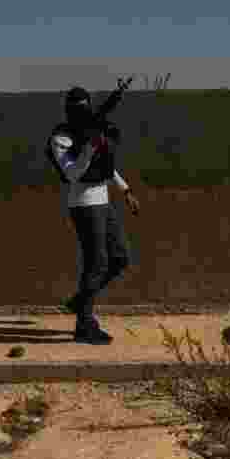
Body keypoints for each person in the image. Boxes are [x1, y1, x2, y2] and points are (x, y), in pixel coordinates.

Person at [47, 86, 141, 344]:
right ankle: (84, 325)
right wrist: (88, 149)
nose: (83, 112)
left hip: (104, 202)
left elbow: (107, 166)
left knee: (120, 258)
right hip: (84, 205)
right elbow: (72, 174)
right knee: (96, 263)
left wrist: (126, 190)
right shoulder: (61, 138)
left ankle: (80, 300)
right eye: (78, 108)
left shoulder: (93, 129)